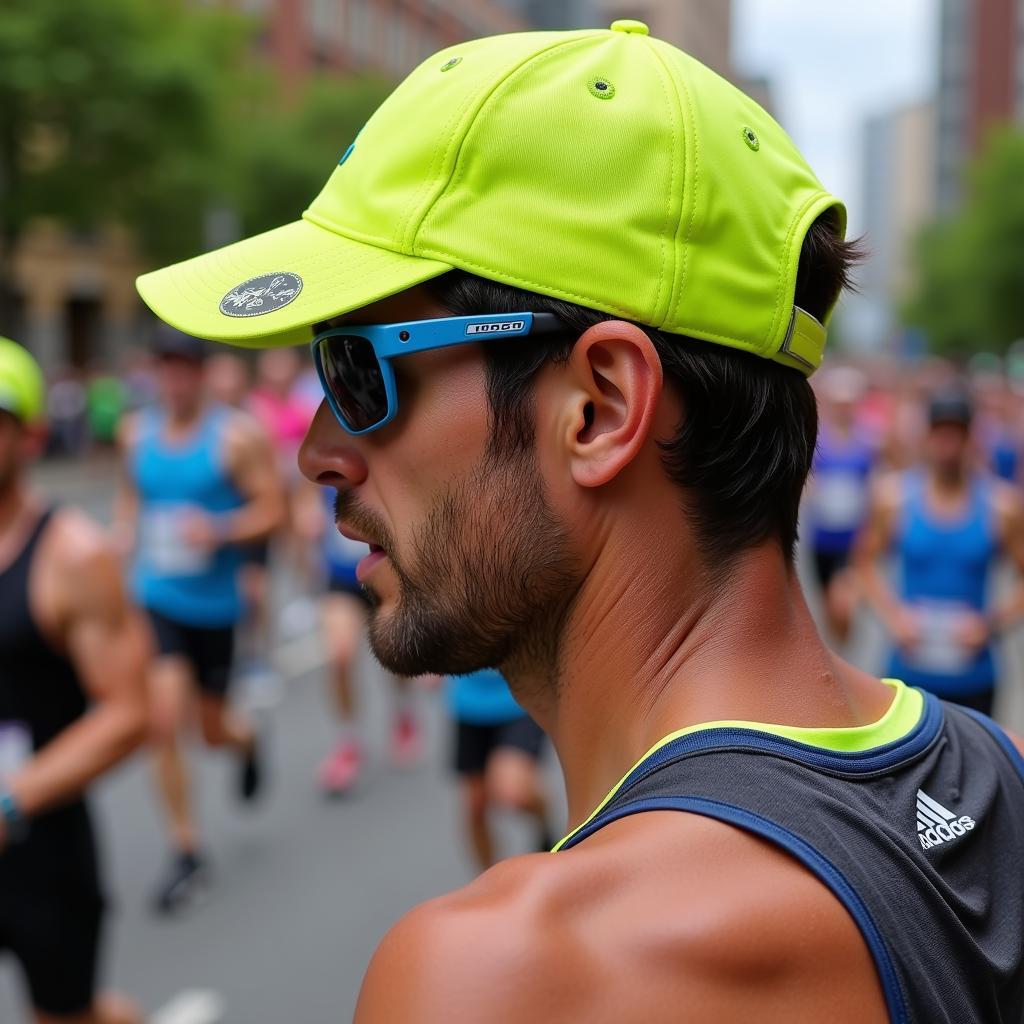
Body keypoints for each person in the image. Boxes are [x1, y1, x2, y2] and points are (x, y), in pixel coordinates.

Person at [137, 22, 1024, 1021]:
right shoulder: (989, 775)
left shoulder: (510, 977)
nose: (317, 450)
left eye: (355, 368)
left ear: (599, 407)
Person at [0, 337, 148, 1024]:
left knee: (65, 1016)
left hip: (40, 848)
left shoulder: (73, 556)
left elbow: (128, 713)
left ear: (30, 436)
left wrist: (11, 800)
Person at [115, 326, 285, 914]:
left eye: (184, 367)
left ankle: (245, 740)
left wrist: (218, 530)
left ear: (202, 373)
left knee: (210, 732)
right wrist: (123, 534)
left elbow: (272, 509)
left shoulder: (235, 438)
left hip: (214, 606)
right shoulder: (135, 432)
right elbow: (131, 495)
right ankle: (186, 849)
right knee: (163, 720)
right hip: (155, 594)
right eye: (165, 367)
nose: (174, 378)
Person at [855, 388, 1024, 717]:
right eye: (941, 432)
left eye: (957, 432)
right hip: (908, 674)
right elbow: (863, 562)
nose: (948, 443)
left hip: (974, 676)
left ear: (970, 436)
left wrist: (990, 624)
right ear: (928, 435)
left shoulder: (1001, 505)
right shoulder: (894, 498)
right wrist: (893, 616)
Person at [294, 481, 422, 795]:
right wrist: (306, 517)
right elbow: (303, 500)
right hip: (341, 580)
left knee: (396, 653)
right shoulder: (324, 460)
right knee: (339, 655)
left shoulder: (375, 449)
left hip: (385, 574)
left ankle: (403, 712)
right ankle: (348, 742)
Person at [447, 668, 550, 870]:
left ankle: (544, 821)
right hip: (469, 704)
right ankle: (487, 882)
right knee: (475, 805)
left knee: (512, 790)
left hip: (517, 699)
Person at [805, 366, 874, 644]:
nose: (844, 409)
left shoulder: (867, 442)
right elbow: (806, 481)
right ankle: (839, 649)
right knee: (826, 605)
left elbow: (877, 484)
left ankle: (846, 645)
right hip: (822, 538)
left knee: (842, 603)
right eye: (839, 404)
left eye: (849, 404)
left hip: (853, 538)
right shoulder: (818, 441)